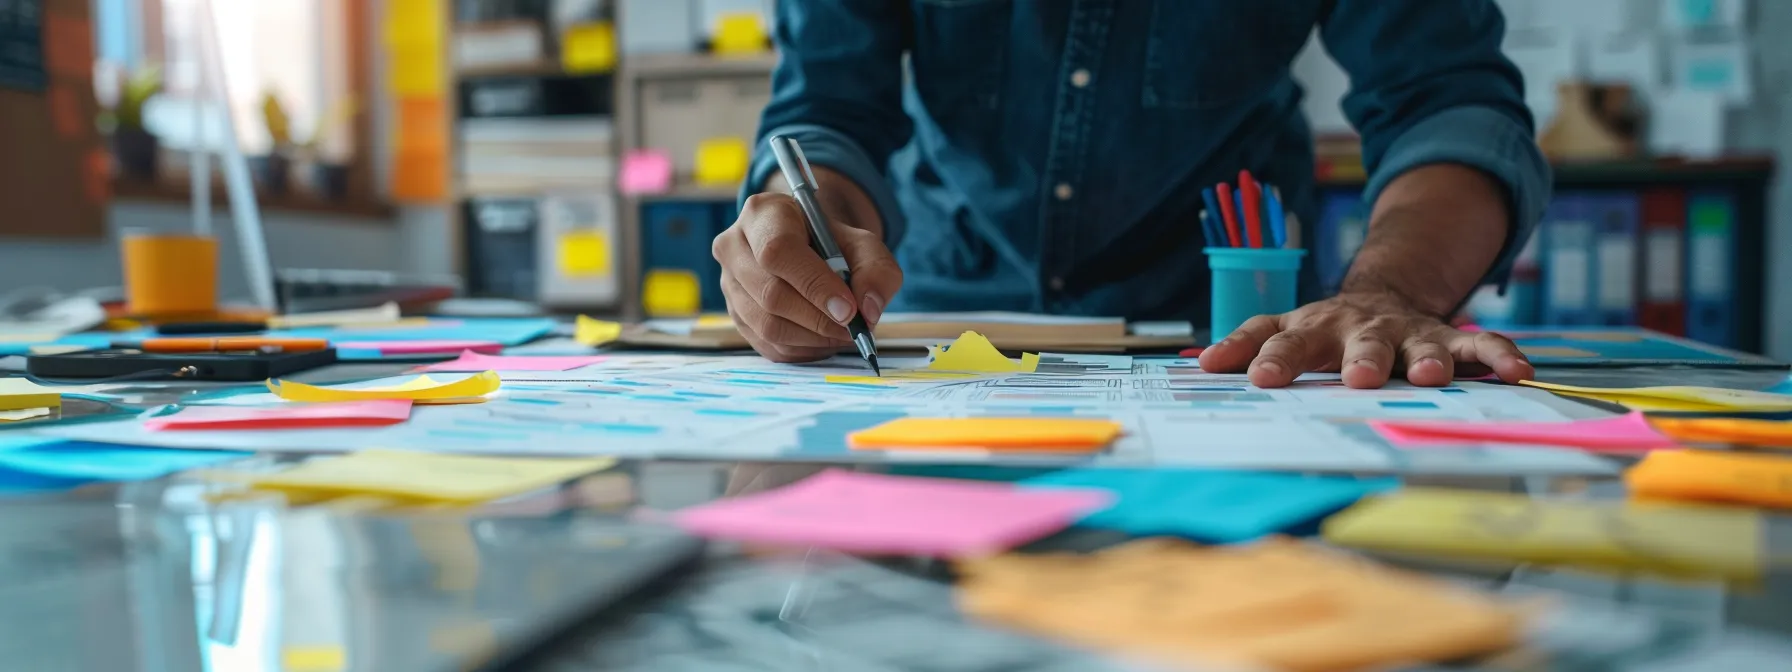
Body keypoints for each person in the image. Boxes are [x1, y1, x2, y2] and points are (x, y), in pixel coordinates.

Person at [713, 0, 1546, 390]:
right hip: (942, 340)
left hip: (1226, 353)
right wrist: (802, 233)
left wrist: (1388, 295)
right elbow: (828, 108)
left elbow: (1450, 104)